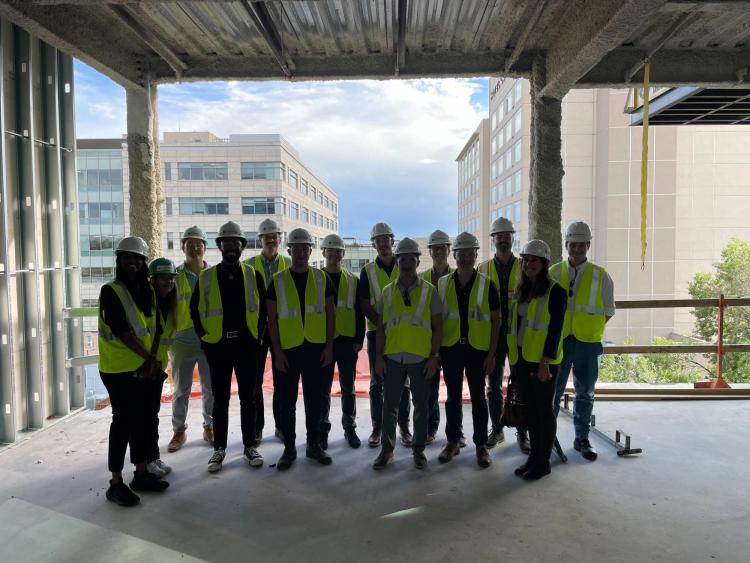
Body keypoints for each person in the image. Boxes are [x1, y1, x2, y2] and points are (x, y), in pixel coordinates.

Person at [190, 221, 266, 473]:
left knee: (249, 398)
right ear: (220, 246)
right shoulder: (207, 276)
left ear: (242, 246)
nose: (231, 247)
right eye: (227, 243)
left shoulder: (253, 275)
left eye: (236, 243)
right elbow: (194, 309)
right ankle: (219, 449)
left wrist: (258, 336)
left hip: (247, 346)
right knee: (219, 399)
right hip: (218, 348)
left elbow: (264, 309)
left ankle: (249, 445)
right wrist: (204, 337)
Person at [98, 236, 169, 507]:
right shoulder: (111, 290)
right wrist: (149, 357)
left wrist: (150, 360)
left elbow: (156, 327)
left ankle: (141, 473)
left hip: (144, 367)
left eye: (138, 258)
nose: (133, 263)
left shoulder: (146, 290)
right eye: (128, 257)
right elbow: (123, 331)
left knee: (141, 421)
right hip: (118, 369)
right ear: (119, 260)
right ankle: (116, 483)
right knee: (123, 423)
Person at [266, 228, 335, 471]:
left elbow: (330, 314)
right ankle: (290, 448)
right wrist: (277, 352)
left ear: (310, 250)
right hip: (288, 350)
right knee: (287, 402)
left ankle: (314, 445)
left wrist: (329, 346)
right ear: (289, 250)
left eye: (305, 247)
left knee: (315, 400)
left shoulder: (321, 278)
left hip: (315, 350)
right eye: (296, 247)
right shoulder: (278, 280)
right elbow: (271, 319)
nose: (301, 252)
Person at [373, 238, 443, 470]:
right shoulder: (387, 291)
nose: (405, 263)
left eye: (410, 259)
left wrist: (434, 357)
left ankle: (419, 451)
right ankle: (387, 451)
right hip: (393, 358)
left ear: (417, 261)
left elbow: (438, 327)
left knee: (421, 408)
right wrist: (379, 358)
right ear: (397, 261)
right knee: (389, 407)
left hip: (421, 359)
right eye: (401, 258)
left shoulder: (429, 291)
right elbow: (381, 329)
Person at [551, 221, 615, 462]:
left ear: (588, 245)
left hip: (587, 343)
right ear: (566, 245)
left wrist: (587, 328)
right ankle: (548, 437)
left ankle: (581, 438)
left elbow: (608, 311)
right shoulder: (554, 272)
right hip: (559, 342)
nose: (576, 249)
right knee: (553, 393)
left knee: (585, 393)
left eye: (581, 245)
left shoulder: (601, 276)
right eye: (572, 245)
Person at [437, 232, 500, 469]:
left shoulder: (487, 285)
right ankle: (452, 441)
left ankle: (481, 445)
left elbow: (496, 322)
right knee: (452, 397)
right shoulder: (442, 285)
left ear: (476, 254)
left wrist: (492, 354)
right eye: (460, 254)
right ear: (454, 255)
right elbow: (437, 321)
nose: (464, 258)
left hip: (478, 350)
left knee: (478, 398)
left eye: (469, 253)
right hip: (451, 349)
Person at [508, 240, 567, 481]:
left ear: (544, 263)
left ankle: (543, 462)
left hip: (543, 362)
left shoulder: (556, 292)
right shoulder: (523, 289)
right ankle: (533, 457)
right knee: (530, 412)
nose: (527, 264)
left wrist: (545, 362)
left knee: (544, 411)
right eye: (525, 259)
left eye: (533, 260)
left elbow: (555, 331)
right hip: (522, 358)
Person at [478, 217, 530, 453]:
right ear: (493, 239)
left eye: (506, 235)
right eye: (499, 236)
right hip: (494, 334)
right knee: (493, 384)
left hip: (519, 333)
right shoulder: (483, 269)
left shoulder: (525, 266)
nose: (503, 239)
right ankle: (497, 429)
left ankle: (522, 431)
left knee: (521, 383)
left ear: (512, 238)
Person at [359, 222, 412, 448]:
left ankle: (403, 426)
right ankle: (377, 427)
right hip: (376, 334)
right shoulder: (367, 271)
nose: (382, 243)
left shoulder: (404, 265)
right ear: (374, 244)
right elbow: (364, 304)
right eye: (378, 240)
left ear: (393, 240)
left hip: (402, 334)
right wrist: (381, 324)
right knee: (376, 382)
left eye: (385, 239)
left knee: (404, 382)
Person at [167, 226, 213, 453]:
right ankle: (179, 431)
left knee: (210, 388)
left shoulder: (214, 275)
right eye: (190, 244)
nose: (195, 248)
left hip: (209, 340)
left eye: (199, 244)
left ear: (205, 247)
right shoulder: (174, 276)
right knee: (181, 390)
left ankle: (210, 426)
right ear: (183, 247)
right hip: (182, 342)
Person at [319, 234, 365, 449]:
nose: (334, 254)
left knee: (349, 387)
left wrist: (358, 339)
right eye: (330, 250)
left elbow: (359, 312)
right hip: (324, 342)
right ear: (323, 253)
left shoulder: (352, 280)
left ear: (343, 254)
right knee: (323, 388)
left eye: (338, 251)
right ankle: (322, 429)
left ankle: (349, 427)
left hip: (347, 343)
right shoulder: (316, 279)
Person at [245, 218, 289, 443]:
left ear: (280, 238)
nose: (271, 239)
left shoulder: (290, 263)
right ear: (260, 239)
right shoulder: (249, 265)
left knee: (282, 380)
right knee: (255, 382)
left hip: (283, 330)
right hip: (258, 330)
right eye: (267, 236)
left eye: (274, 235)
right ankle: (257, 427)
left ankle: (281, 426)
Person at [420, 229, 455, 445]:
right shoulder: (422, 278)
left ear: (449, 250)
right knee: (429, 390)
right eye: (435, 248)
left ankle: (455, 432)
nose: (439, 251)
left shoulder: (456, 278)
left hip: (450, 342)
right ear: (430, 251)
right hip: (428, 342)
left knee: (453, 392)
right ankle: (430, 428)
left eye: (443, 247)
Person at [145, 258, 179, 479]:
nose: (168, 282)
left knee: (152, 416)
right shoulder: (147, 302)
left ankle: (153, 457)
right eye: (163, 278)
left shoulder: (170, 303)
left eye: (171, 278)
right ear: (153, 279)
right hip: (143, 367)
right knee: (144, 418)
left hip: (156, 367)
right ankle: (146, 462)